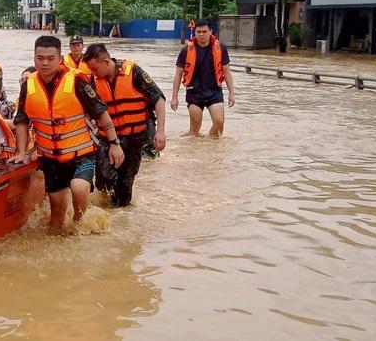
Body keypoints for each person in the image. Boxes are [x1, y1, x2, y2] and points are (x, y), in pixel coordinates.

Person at [12, 36, 124, 234]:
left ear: (60, 58)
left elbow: (101, 112)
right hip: (51, 157)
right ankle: (57, 239)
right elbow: (22, 120)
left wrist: (114, 143)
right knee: (56, 212)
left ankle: (80, 224)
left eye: (50, 58)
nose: (45, 63)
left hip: (82, 153)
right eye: (40, 58)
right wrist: (21, 152)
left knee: (79, 187)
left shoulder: (78, 81)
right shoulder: (27, 85)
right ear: (34, 57)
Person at [83, 43, 166, 206]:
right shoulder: (93, 80)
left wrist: (160, 131)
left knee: (125, 184)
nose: (93, 73)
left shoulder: (134, 72)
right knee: (104, 178)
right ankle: (105, 213)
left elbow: (158, 99)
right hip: (106, 137)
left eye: (95, 69)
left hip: (135, 137)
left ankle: (121, 217)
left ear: (106, 62)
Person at [171, 19, 236, 138]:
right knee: (194, 132)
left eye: (204, 31)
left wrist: (232, 93)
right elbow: (178, 74)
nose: (201, 34)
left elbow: (226, 71)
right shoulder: (186, 50)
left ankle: (210, 145)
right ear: (194, 32)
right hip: (194, 92)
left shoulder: (220, 48)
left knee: (219, 122)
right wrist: (174, 97)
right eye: (198, 31)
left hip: (214, 91)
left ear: (211, 31)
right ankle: (196, 151)